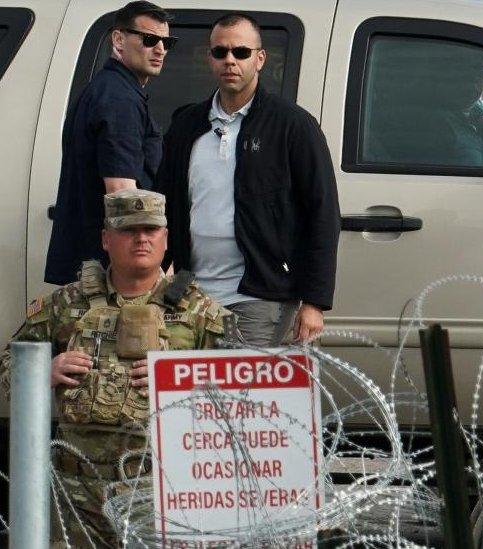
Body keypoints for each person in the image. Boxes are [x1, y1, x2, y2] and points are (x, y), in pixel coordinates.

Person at [2, 189, 229, 546]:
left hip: (158, 488)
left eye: (151, 230)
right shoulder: (66, 304)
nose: (141, 238)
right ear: (106, 239)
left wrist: (181, 381)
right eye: (128, 230)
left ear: (165, 239)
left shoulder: (199, 313)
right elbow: (7, 367)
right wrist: (42, 371)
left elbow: (243, 394)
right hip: (75, 493)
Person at [157, 13, 340, 347]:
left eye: (240, 52)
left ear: (260, 58)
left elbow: (322, 213)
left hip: (260, 295)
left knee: (244, 397)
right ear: (210, 59)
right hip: (190, 294)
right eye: (220, 52)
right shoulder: (187, 126)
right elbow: (163, 204)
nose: (230, 60)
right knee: (192, 398)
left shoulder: (292, 125)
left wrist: (314, 301)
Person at [45, 1, 175, 285]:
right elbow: (121, 193)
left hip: (98, 267)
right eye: (149, 39)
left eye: (166, 42)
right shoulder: (119, 99)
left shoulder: (108, 89)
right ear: (118, 39)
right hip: (113, 275)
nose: (160, 49)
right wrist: (149, 269)